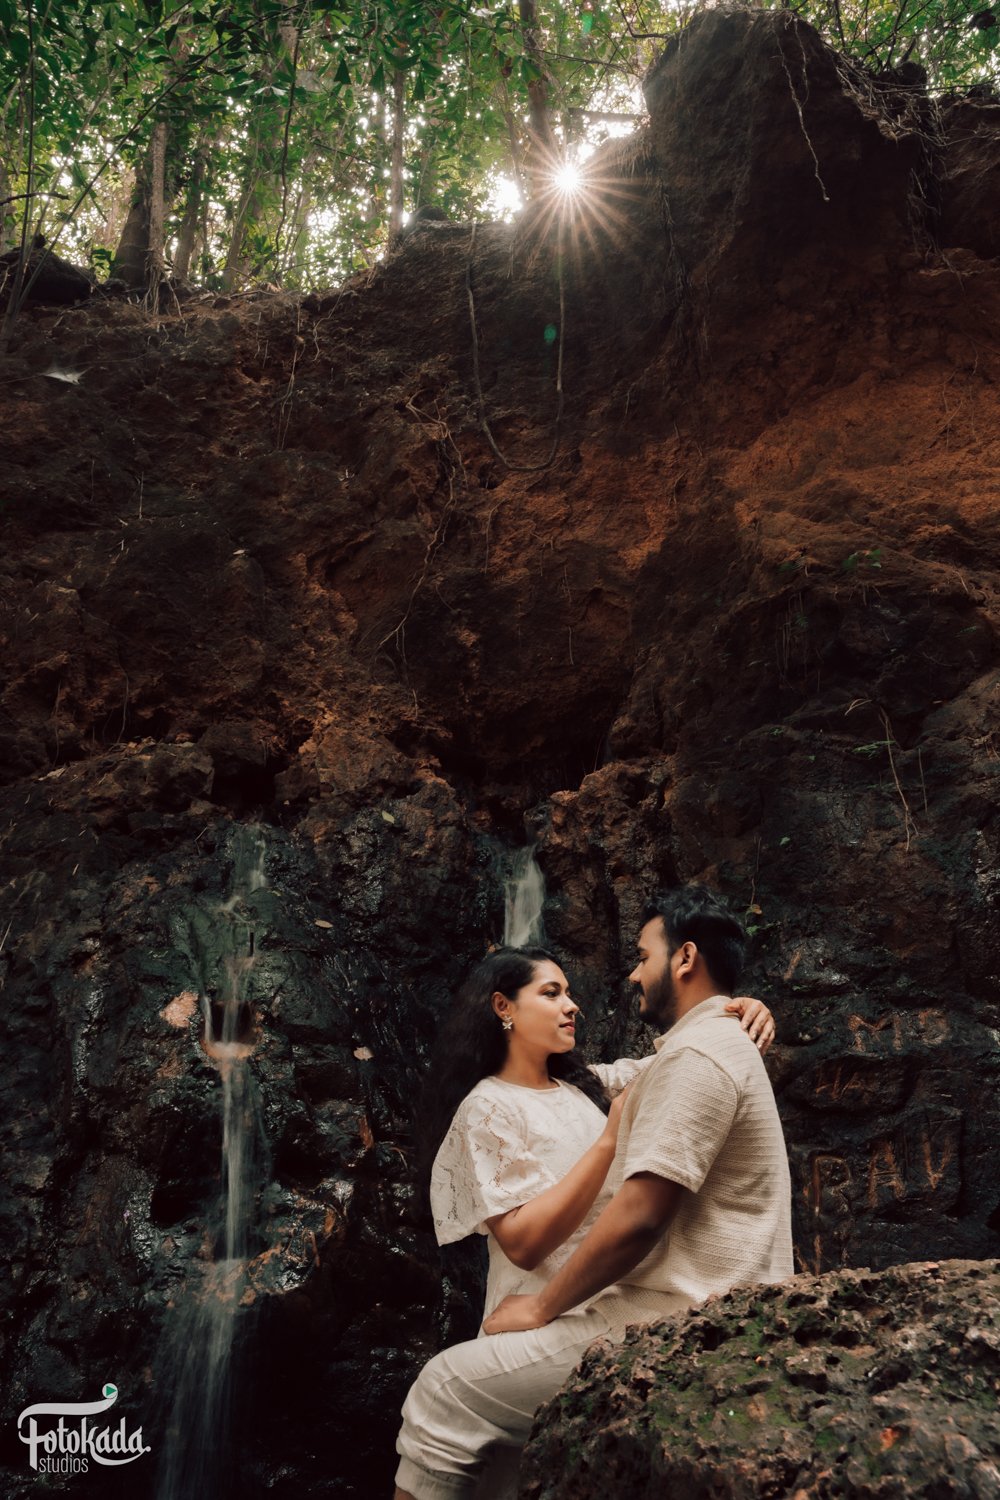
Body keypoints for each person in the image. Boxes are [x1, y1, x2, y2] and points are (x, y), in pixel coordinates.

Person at [394, 887, 789, 1500]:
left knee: (514, 1463)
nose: (573, 1004)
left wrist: (738, 1008)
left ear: (685, 959)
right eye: (552, 993)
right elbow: (524, 1242)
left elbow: (683, 1061)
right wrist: (607, 1142)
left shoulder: (590, 1087)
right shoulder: (488, 1107)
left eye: (569, 992)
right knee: (490, 1463)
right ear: (503, 1008)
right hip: (537, 1301)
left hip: (595, 1303)